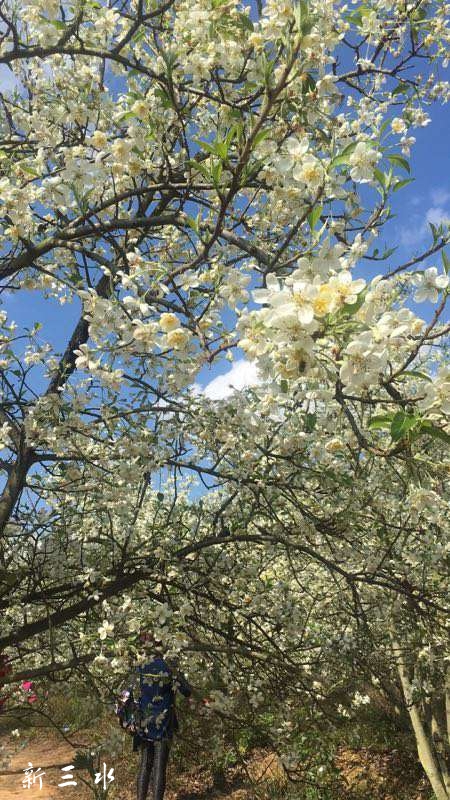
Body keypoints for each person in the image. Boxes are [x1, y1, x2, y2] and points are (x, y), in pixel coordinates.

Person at [117, 637, 192, 800]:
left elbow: (124, 694)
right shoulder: (169, 666)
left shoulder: (140, 666)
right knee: (159, 766)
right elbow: (187, 691)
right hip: (164, 722)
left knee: (145, 764)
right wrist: (177, 673)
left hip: (144, 722)